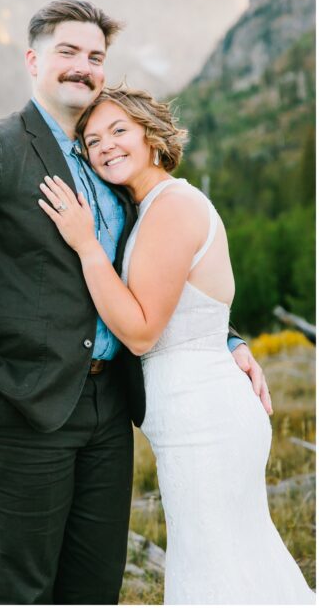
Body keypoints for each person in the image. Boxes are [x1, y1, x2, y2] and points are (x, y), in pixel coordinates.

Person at [0, 0, 271, 604]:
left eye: (95, 57)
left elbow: (151, 272)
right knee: (24, 591)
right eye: (68, 52)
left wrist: (225, 339)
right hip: (15, 407)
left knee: (93, 589)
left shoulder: (105, 164)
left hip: (108, 407)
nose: (83, 68)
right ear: (34, 61)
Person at [37, 85, 313, 604]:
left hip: (204, 422)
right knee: (232, 563)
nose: (106, 147)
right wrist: (232, 341)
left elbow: (142, 331)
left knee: (215, 572)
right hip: (194, 415)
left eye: (119, 131)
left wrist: (85, 245)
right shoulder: (153, 207)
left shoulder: (172, 207)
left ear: (151, 134)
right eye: (93, 140)